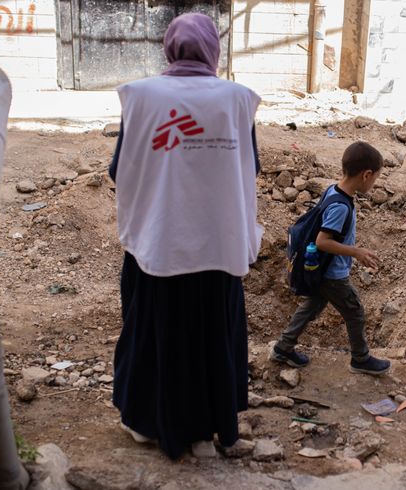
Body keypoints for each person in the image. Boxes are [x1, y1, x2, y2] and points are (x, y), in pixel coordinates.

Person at [108, 13, 262, 459]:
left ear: (169, 47)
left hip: (159, 242)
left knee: (155, 335)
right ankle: (207, 428)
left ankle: (148, 423)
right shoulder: (237, 100)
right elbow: (248, 169)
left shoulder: (140, 96)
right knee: (211, 338)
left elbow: (119, 169)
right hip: (218, 242)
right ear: (215, 50)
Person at [272, 142, 391, 375]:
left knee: (312, 306)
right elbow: (322, 241)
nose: (374, 182)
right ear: (366, 175)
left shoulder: (333, 190)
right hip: (332, 274)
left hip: (321, 269)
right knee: (354, 311)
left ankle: (283, 347)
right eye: (376, 178)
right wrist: (356, 252)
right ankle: (360, 358)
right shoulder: (341, 207)